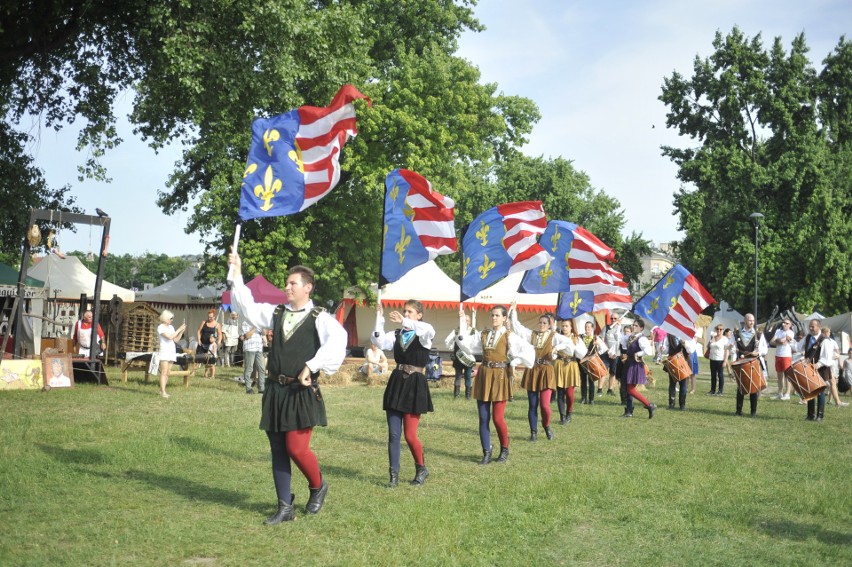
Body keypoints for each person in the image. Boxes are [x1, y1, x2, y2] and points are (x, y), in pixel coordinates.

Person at [228, 252, 346, 524]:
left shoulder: (320, 317)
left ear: (308, 287)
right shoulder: (277, 313)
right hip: (275, 390)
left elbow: (339, 340)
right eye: (287, 283)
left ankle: (318, 486)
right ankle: (285, 507)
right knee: (278, 449)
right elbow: (248, 307)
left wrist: (312, 365)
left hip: (300, 392)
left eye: (293, 283)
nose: (287, 287)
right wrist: (237, 273)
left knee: (296, 448)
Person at [455, 305, 534, 464]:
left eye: (497, 315)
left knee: (498, 418)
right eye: (492, 315)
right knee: (483, 417)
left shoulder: (509, 336)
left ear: (505, 318)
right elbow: (466, 345)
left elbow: (528, 351)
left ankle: (504, 448)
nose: (494, 318)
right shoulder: (483, 334)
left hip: (500, 377)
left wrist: (515, 362)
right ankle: (486, 451)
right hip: (484, 375)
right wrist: (462, 322)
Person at [372, 300, 434, 488]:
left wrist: (404, 321)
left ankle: (421, 468)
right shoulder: (397, 333)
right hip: (397, 381)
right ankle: (393, 476)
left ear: (419, 315)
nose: (405, 314)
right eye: (404, 311)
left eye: (410, 312)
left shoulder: (424, 334)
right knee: (393, 434)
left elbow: (428, 330)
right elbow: (379, 341)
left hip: (415, 383)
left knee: (410, 435)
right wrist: (379, 318)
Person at [511, 309, 579, 441]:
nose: (541, 325)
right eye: (540, 323)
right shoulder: (532, 334)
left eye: (544, 323)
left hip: (546, 371)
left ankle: (547, 426)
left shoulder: (554, 336)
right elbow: (517, 327)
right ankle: (533, 433)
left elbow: (569, 345)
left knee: (544, 405)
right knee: (532, 405)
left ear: (549, 325)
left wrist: (556, 348)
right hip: (532, 369)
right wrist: (513, 310)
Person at [733, 313, 768, 417]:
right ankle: (738, 411)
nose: (752, 322)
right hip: (740, 364)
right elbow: (732, 348)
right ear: (745, 321)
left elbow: (765, 349)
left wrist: (759, 352)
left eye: (753, 321)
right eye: (750, 320)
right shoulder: (737, 334)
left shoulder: (758, 335)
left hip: (753, 363)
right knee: (740, 387)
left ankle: (753, 412)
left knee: (754, 388)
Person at [621, 319, 657, 418]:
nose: (634, 327)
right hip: (629, 363)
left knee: (631, 389)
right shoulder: (630, 337)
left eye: (636, 325)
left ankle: (649, 405)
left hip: (635, 365)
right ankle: (629, 411)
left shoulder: (642, 338)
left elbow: (649, 351)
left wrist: (639, 353)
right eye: (633, 325)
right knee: (628, 388)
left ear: (641, 328)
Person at [553, 319, 587, 425]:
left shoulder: (576, 339)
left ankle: (569, 413)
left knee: (569, 393)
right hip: (559, 363)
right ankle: (562, 416)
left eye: (566, 326)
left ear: (571, 327)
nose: (564, 328)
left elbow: (582, 354)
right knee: (560, 392)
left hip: (571, 365)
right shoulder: (557, 337)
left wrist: (575, 347)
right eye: (563, 326)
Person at [797, 319, 830, 421]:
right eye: (810, 326)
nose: (810, 328)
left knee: (820, 392)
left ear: (819, 327)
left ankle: (820, 415)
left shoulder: (825, 340)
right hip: (809, 368)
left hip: (821, 369)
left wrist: (818, 364)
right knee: (810, 391)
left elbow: (827, 357)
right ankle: (810, 415)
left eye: (813, 326)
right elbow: (798, 347)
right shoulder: (808, 337)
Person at [445, 312, 477, 399]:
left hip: (468, 358)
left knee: (468, 377)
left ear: (470, 322)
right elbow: (447, 342)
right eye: (464, 320)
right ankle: (456, 396)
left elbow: (477, 344)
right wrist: (452, 347)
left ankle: (468, 396)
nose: (466, 322)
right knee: (458, 377)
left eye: (467, 321)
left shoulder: (473, 332)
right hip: (458, 358)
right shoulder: (456, 331)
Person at [157, 309, 186, 398]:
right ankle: (163, 391)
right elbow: (169, 337)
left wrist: (181, 331)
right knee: (164, 371)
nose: (172, 320)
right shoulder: (160, 327)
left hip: (171, 351)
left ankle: (162, 390)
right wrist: (179, 329)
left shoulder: (171, 327)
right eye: (171, 318)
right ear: (165, 318)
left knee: (168, 372)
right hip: (164, 350)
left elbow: (175, 340)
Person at [579, 320, 608, 405]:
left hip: (591, 361)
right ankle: (583, 398)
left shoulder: (596, 338)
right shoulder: (581, 337)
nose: (587, 328)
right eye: (586, 327)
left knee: (591, 380)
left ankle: (591, 399)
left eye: (588, 327)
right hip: (583, 361)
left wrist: (597, 352)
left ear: (592, 328)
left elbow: (604, 348)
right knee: (583, 380)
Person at [664, 334, 693, 410]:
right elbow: (666, 349)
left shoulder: (685, 334)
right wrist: (663, 349)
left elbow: (690, 350)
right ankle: (671, 404)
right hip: (673, 362)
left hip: (683, 361)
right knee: (672, 383)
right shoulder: (669, 335)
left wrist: (684, 343)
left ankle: (682, 405)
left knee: (683, 384)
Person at [770, 319, 795, 400]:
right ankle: (780, 393)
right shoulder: (778, 331)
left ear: (790, 325)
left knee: (787, 376)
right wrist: (780, 341)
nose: (785, 324)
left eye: (787, 323)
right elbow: (771, 342)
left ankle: (787, 394)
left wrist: (779, 340)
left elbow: (782, 340)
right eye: (784, 323)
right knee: (779, 376)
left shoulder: (790, 332)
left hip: (786, 356)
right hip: (778, 355)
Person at [240, 318, 266, 395]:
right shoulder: (245, 322)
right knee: (249, 368)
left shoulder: (258, 322)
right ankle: (248, 388)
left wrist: (262, 326)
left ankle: (261, 388)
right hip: (249, 348)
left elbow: (264, 333)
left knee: (261, 369)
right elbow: (247, 336)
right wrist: (255, 327)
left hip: (259, 348)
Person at [196, 309, 222, 378]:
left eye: (211, 317)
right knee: (201, 359)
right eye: (208, 317)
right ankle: (204, 374)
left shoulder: (217, 325)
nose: (209, 318)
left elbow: (220, 334)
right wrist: (199, 340)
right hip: (202, 343)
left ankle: (212, 375)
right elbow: (198, 331)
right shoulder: (204, 322)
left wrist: (218, 342)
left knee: (211, 361)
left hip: (211, 345)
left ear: (214, 317)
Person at [707, 325, 728, 396]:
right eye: (717, 329)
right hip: (712, 359)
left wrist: (725, 361)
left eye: (720, 329)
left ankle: (720, 391)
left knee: (720, 375)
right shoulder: (713, 337)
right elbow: (708, 346)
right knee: (713, 375)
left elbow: (726, 350)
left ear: (723, 330)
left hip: (720, 359)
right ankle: (712, 390)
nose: (719, 330)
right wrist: (710, 342)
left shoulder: (725, 339)